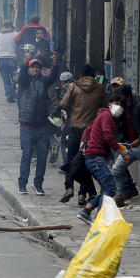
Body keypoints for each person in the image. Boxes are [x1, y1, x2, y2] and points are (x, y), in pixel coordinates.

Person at [77, 89, 136, 224]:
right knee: (110, 187)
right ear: (110, 104)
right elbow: (107, 136)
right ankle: (97, 218)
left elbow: (91, 129)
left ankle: (87, 211)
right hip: (96, 158)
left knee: (108, 187)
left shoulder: (105, 116)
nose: (119, 107)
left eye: (121, 105)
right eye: (116, 103)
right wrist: (122, 153)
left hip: (97, 157)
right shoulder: (106, 116)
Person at [59, 64, 106, 204]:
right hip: (92, 132)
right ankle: (82, 194)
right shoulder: (100, 88)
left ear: (81, 75)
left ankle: (69, 187)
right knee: (86, 162)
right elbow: (103, 108)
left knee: (71, 160)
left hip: (76, 129)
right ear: (93, 76)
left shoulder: (73, 86)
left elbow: (63, 104)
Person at [16, 52, 59, 194]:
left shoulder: (44, 81)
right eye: (33, 67)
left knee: (42, 155)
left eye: (38, 67)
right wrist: (24, 61)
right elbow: (21, 75)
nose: (35, 69)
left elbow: (53, 77)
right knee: (27, 154)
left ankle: (38, 184)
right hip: (27, 125)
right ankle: (22, 183)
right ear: (29, 68)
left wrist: (55, 64)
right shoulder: (24, 81)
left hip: (41, 125)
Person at [0, 20, 18, 103]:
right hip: (12, 59)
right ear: (12, 26)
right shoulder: (15, 34)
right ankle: (12, 93)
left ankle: (8, 94)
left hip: (1, 60)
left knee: (6, 80)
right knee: (14, 78)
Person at [48, 72, 73, 163]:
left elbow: (62, 104)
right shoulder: (78, 88)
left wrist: (53, 113)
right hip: (79, 119)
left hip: (67, 118)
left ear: (62, 81)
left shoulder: (64, 89)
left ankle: (66, 163)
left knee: (64, 141)